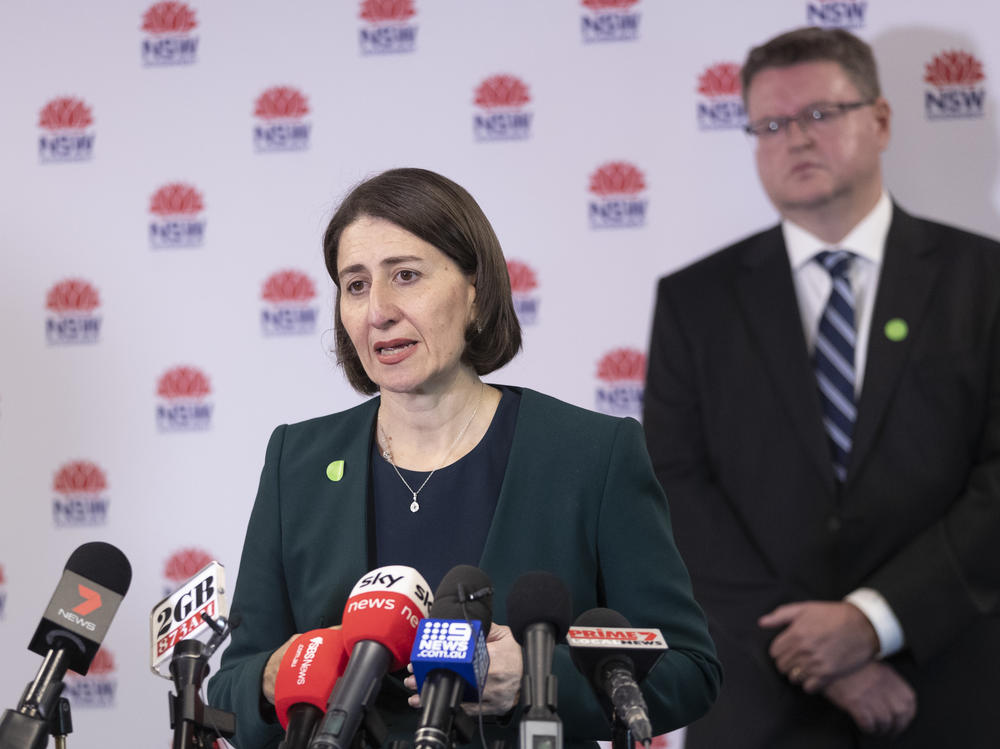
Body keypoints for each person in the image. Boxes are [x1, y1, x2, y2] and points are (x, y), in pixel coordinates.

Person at [208, 167, 720, 748]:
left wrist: (535, 684)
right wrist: (274, 681)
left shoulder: (591, 454)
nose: (378, 310)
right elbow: (233, 683)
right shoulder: (295, 461)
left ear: (475, 291)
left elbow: (686, 668)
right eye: (355, 285)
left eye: (405, 276)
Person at [644, 27, 1000, 749]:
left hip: (948, 684)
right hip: (759, 696)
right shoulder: (695, 301)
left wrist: (876, 618)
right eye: (771, 124)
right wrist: (815, 654)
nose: (795, 140)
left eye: (820, 114)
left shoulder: (983, 280)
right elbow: (675, 490)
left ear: (881, 119)